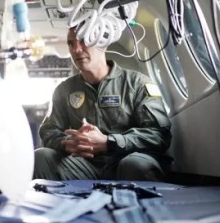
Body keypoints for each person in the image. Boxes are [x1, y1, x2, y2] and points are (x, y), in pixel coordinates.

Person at [34, 27, 172, 182]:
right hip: (83, 165)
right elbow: (48, 130)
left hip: (126, 160)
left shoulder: (137, 83)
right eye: (71, 43)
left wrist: (109, 142)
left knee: (135, 165)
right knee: (41, 157)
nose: (76, 49)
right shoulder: (64, 90)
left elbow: (158, 134)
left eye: (84, 41)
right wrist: (66, 143)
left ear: (104, 44)